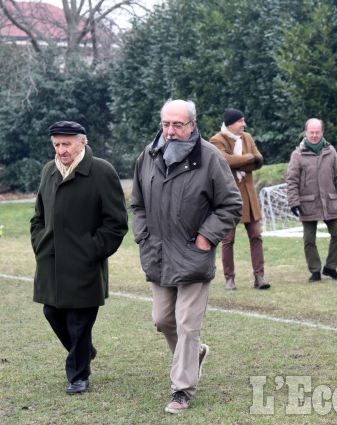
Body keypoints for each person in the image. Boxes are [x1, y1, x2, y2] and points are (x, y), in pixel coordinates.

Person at [131, 99, 242, 414]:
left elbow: (231, 206)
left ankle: (181, 390)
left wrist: (207, 236)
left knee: (187, 325)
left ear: (192, 125)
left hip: (194, 255)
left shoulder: (210, 158)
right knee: (162, 319)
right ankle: (194, 355)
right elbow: (137, 203)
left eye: (177, 124)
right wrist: (143, 235)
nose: (170, 131)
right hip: (158, 255)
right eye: (166, 124)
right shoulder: (148, 156)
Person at [30, 121, 128, 394]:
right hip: (50, 262)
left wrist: (92, 250)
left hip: (85, 264)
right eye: (57, 145)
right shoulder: (49, 171)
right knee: (52, 312)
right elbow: (38, 217)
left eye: (66, 144)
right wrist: (40, 243)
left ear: (82, 142)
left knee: (79, 321)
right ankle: (84, 351)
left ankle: (78, 375)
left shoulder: (101, 171)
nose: (61, 150)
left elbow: (117, 222)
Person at [210, 108, 270, 290]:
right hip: (228, 196)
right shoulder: (216, 140)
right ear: (230, 124)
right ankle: (230, 278)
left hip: (249, 197)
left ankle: (259, 277)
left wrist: (246, 159)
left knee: (256, 236)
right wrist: (249, 157)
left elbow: (259, 161)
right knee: (228, 239)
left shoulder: (248, 138)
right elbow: (225, 161)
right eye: (240, 121)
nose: (244, 124)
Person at [286, 118, 337, 282]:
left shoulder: (331, 151)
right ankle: (315, 270)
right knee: (309, 239)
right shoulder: (297, 154)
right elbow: (292, 181)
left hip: (330, 201)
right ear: (306, 133)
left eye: (317, 132)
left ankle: (331, 267)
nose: (314, 135)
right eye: (311, 132)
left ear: (322, 132)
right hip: (307, 203)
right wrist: (294, 202)